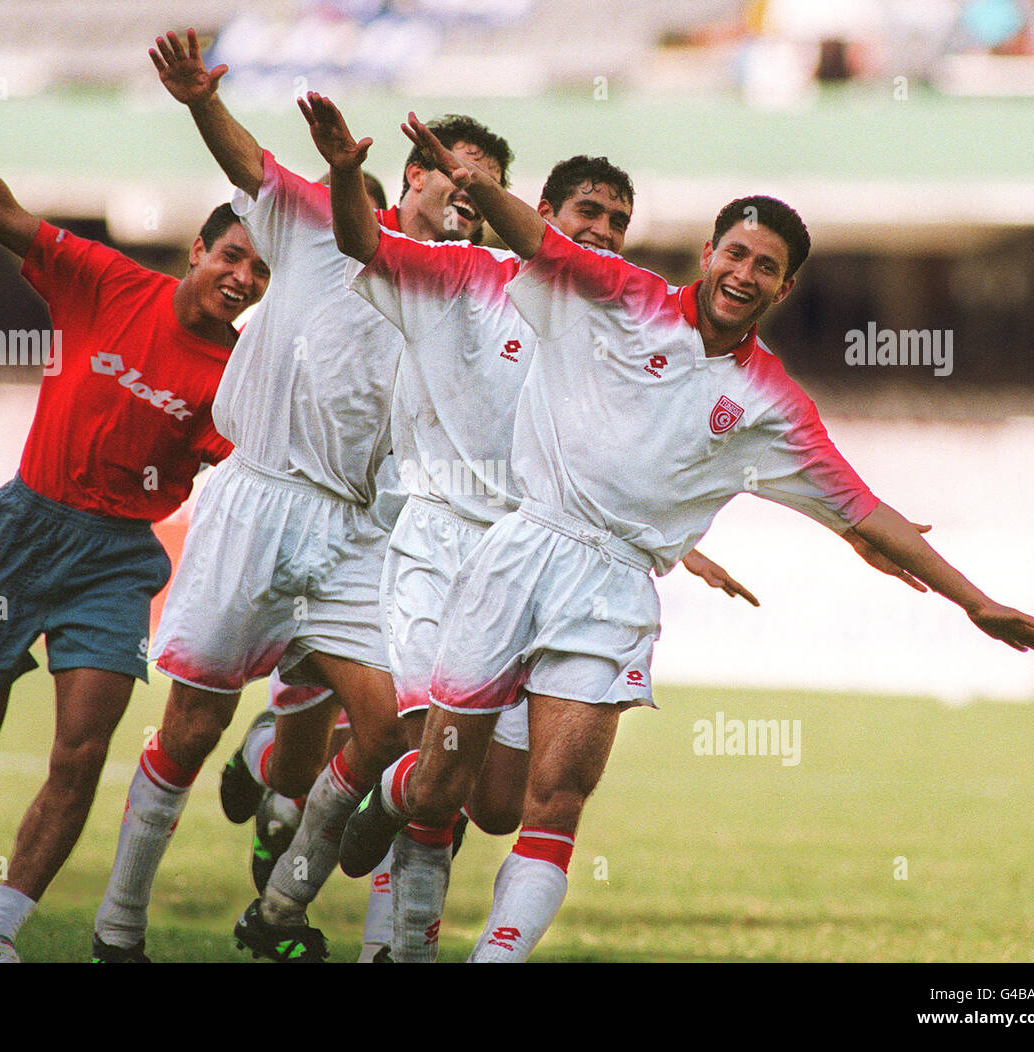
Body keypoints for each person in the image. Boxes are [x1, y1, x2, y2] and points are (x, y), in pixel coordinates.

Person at [341, 111, 1034, 962]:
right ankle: (396, 791)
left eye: (767, 268)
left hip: (613, 592)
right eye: (737, 253)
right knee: (450, 793)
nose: (746, 273)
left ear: (783, 290)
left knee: (552, 801)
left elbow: (865, 511)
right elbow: (542, 242)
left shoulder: (773, 404)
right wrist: (480, 188)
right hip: (521, 551)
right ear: (710, 253)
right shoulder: (624, 296)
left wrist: (975, 602)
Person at [300, 92, 783, 962]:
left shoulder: (613, 331)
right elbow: (363, 243)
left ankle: (380, 802)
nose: (602, 230)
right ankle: (376, 936)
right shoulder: (468, 282)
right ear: (545, 218)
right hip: (438, 544)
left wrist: (685, 545)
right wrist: (345, 174)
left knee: (492, 803)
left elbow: (615, 466)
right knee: (434, 769)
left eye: (619, 220)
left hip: (536, 555)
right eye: (586, 213)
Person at [89, 29, 512, 964]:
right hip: (259, 498)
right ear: (410, 175)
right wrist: (200, 99)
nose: (465, 196)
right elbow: (250, 161)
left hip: (356, 529)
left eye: (481, 190)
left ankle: (278, 908)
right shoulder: (322, 215)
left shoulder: (467, 290)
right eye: (453, 174)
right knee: (191, 727)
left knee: (389, 724)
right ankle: (118, 929)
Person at [0, 77, 270, 963]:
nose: (242, 279)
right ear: (199, 249)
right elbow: (3, 216)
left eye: (261, 272)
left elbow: (251, 486)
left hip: (117, 561)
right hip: (23, 530)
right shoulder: (108, 282)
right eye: (233, 256)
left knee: (81, 754)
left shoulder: (241, 384)